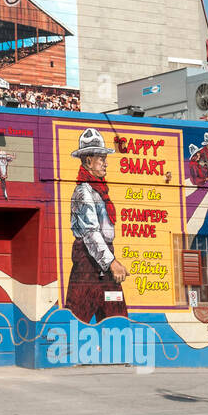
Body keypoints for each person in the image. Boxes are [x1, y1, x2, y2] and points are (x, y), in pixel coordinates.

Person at [65, 128, 129, 323]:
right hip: (88, 266)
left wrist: (110, 263)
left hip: (105, 264)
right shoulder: (83, 192)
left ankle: (118, 352)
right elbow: (91, 234)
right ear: (88, 161)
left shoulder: (99, 190)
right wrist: (112, 263)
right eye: (101, 158)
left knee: (116, 316)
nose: (105, 163)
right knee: (76, 319)